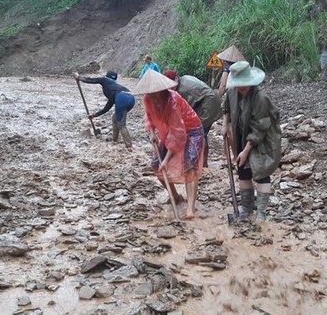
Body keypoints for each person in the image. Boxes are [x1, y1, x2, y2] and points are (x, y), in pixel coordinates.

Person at [134, 69, 205, 219]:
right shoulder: (147, 99)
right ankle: (175, 196)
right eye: (150, 93)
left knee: (190, 166)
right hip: (168, 132)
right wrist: (152, 133)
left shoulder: (172, 101)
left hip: (191, 130)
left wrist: (166, 160)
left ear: (162, 90)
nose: (152, 96)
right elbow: (149, 117)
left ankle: (190, 209)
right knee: (156, 165)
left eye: (155, 93)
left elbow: (178, 134)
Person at [221, 61, 281, 220]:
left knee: (261, 171)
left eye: (244, 84)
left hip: (262, 137)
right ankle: (246, 209)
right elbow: (226, 107)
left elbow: (260, 128)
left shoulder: (260, 98)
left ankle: (261, 213)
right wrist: (225, 125)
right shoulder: (232, 92)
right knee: (243, 171)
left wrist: (246, 150)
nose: (241, 88)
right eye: (238, 84)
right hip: (240, 133)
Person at [164, 70, 222, 167]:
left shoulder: (183, 90)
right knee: (200, 132)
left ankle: (200, 162)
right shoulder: (185, 77)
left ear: (176, 80)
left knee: (199, 131)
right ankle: (200, 161)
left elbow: (187, 111)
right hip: (206, 101)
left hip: (208, 105)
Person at [73, 70, 135, 148]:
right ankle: (115, 141)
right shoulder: (114, 89)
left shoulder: (105, 80)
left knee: (121, 124)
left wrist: (79, 78)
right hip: (131, 98)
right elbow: (107, 108)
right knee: (115, 118)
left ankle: (129, 146)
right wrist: (94, 115)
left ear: (107, 76)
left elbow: (93, 80)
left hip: (122, 98)